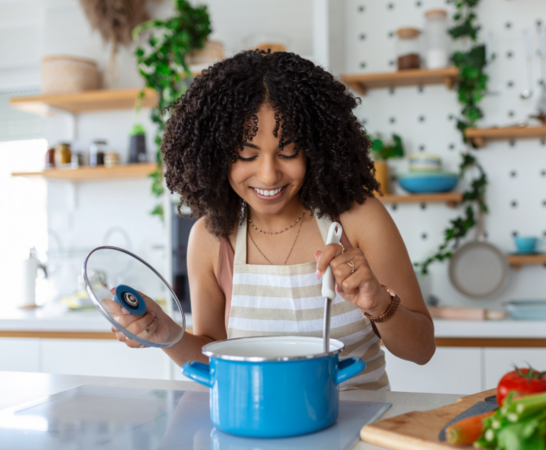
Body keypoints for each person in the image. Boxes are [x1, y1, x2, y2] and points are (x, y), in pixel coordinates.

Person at [110, 50, 435, 390]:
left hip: (360, 433)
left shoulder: (359, 218)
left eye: (288, 152)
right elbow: (215, 361)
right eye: (246, 154)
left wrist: (379, 304)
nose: (268, 175)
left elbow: (422, 349)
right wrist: (166, 333)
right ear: (216, 155)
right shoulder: (211, 239)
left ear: (316, 147)